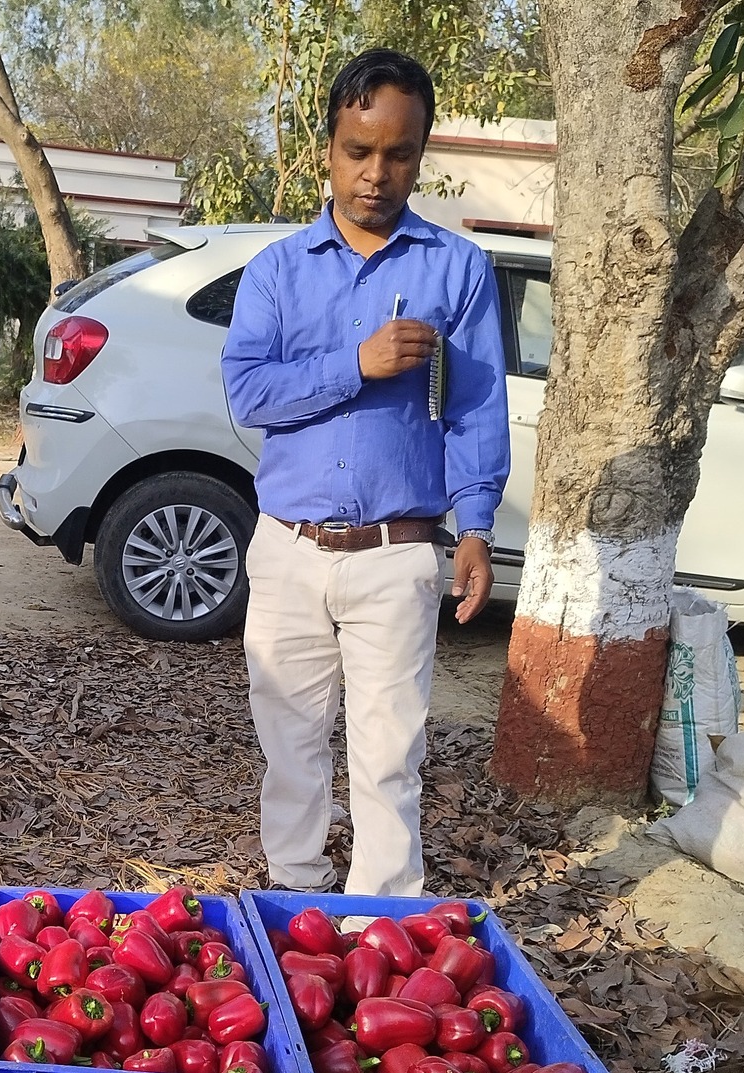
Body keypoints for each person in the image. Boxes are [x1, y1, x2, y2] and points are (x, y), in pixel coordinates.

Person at [221, 48, 509, 897]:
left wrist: (477, 526)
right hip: (289, 548)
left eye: (398, 154)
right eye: (358, 151)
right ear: (329, 149)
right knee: (290, 747)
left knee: (389, 757)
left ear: (420, 155)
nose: (376, 173)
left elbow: (476, 408)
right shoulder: (277, 271)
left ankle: (377, 925)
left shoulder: (457, 270)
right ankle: (295, 900)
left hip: (397, 551)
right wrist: (358, 364)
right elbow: (248, 392)